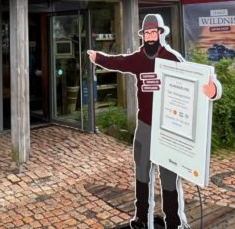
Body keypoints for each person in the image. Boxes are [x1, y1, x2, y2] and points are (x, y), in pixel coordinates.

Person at [87, 14, 220, 229]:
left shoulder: (171, 57)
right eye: (146, 33)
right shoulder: (138, 58)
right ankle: (141, 217)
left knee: (168, 177)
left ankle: (173, 222)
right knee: (142, 172)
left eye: (153, 33)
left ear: (160, 34)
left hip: (167, 129)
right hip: (145, 127)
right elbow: (118, 62)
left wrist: (212, 91)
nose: (149, 37)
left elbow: (194, 82)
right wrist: (98, 58)